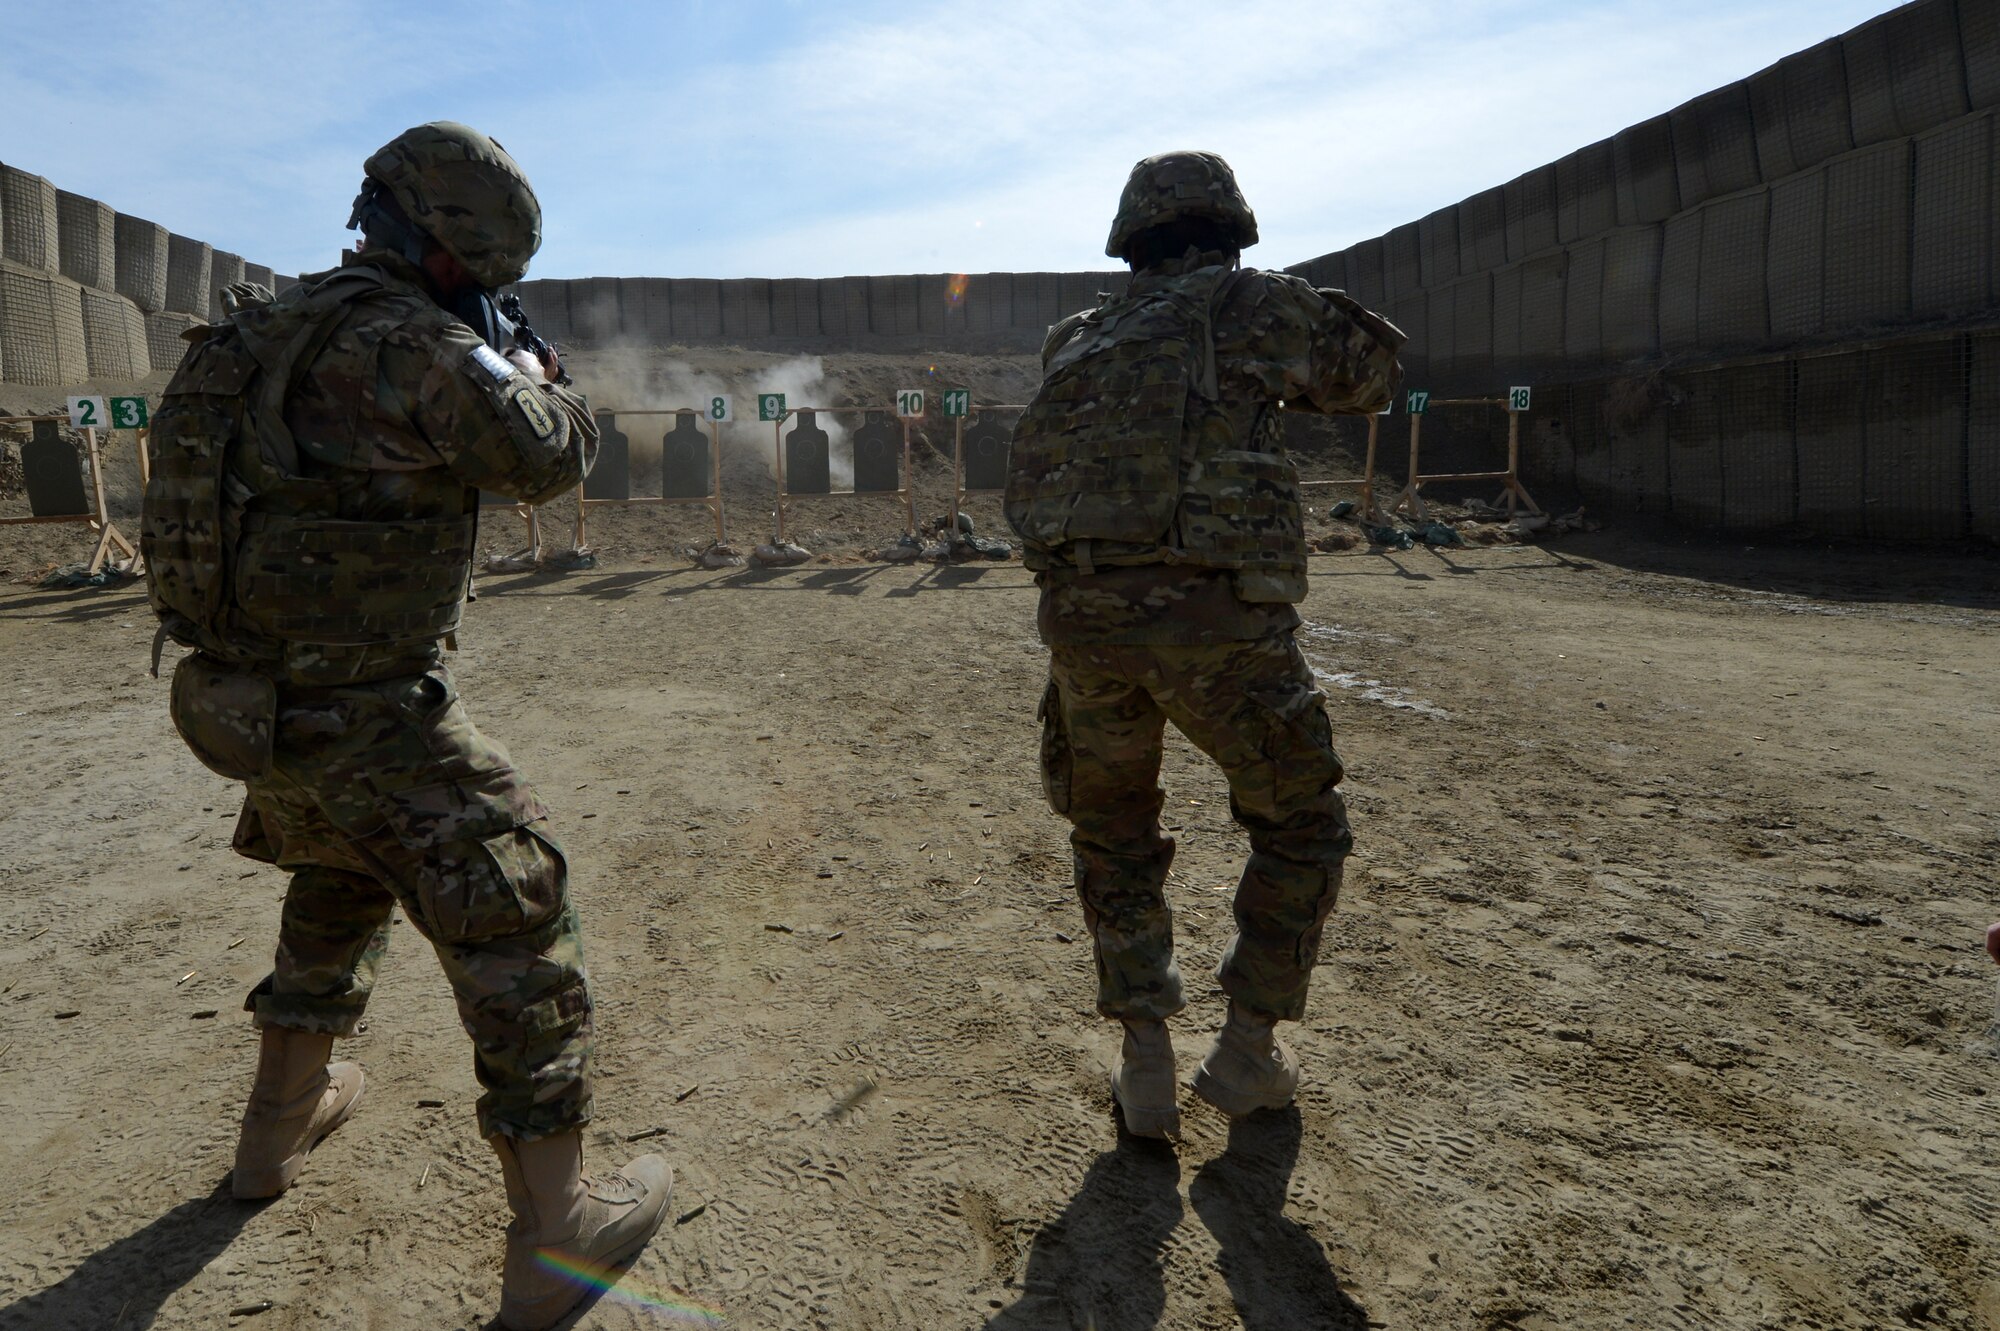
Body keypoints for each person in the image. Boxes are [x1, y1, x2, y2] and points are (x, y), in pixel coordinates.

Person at [142, 122, 669, 1330]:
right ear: (449, 253)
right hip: (368, 706)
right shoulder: (414, 343)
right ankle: (558, 1230)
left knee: (337, 879)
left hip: (246, 699)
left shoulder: (250, 331)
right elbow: (546, 457)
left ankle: (272, 1136)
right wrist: (544, 380)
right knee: (518, 903)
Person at [1006, 150, 1404, 1139]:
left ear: (1130, 240)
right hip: (1212, 619)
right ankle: (1248, 1047)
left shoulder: (1075, 337)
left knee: (1112, 833)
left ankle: (1143, 1058)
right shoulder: (1246, 304)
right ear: (1227, 229)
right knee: (1301, 821)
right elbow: (1369, 378)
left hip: (1082, 620)